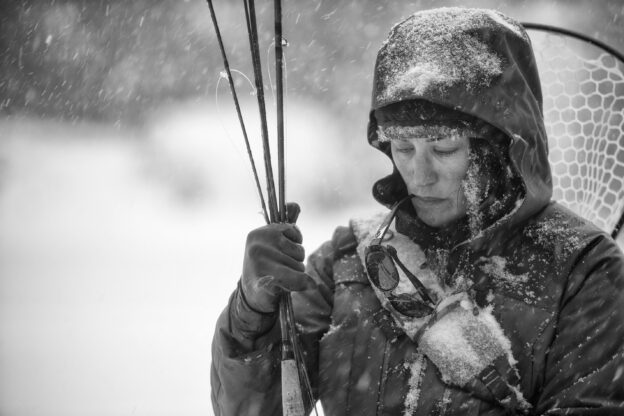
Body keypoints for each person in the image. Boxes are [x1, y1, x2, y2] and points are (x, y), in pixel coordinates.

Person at [211, 7, 624, 415]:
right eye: (403, 147)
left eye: (443, 148)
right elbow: (252, 409)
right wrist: (252, 315)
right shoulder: (348, 260)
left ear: (498, 151)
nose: (419, 176)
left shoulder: (585, 272)